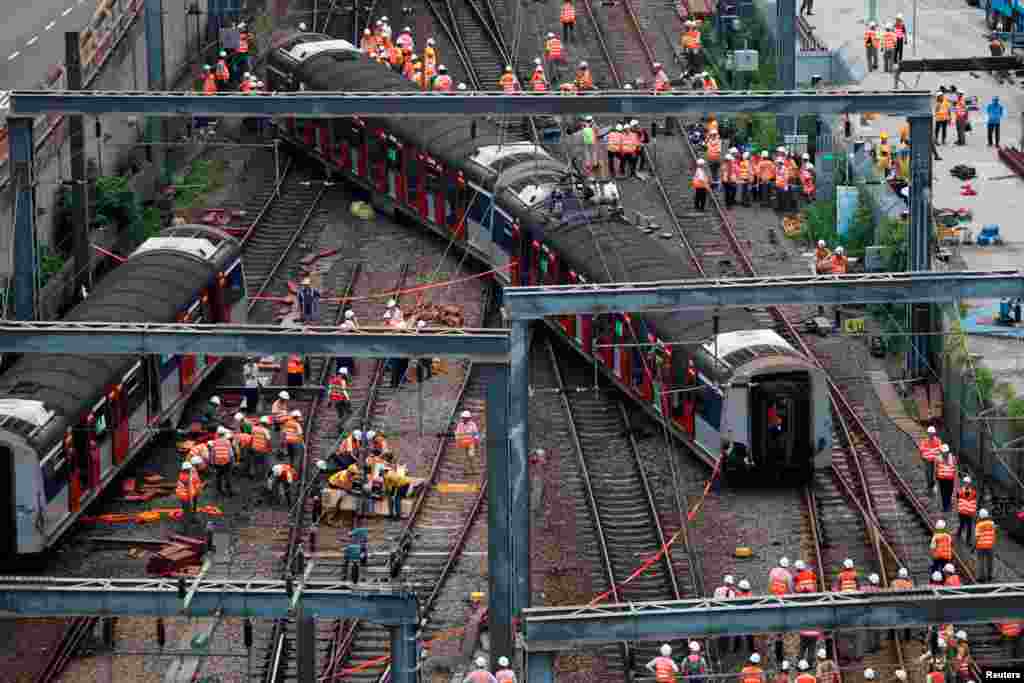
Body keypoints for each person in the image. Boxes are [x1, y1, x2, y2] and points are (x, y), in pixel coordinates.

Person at [210, 426, 236, 497]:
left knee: (218, 477)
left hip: (217, 462)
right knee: (227, 477)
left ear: (218, 434)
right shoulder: (227, 442)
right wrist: (233, 462)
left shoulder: (214, 443)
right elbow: (231, 453)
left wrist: (212, 463)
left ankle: (219, 490)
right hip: (226, 462)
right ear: (224, 434)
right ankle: (229, 491)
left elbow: (212, 454)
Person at [176, 461, 199, 530]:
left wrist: (197, 490)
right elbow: (188, 488)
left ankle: (192, 519)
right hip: (185, 497)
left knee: (192, 508)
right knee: (187, 511)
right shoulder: (183, 477)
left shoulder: (192, 472)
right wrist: (189, 497)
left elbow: (196, 481)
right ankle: (185, 526)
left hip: (191, 494)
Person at [975, 508, 996, 582]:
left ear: (980, 516)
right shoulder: (992, 523)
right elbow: (993, 532)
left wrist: (974, 546)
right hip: (990, 545)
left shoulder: (978, 525)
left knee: (980, 561)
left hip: (980, 546)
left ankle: (981, 577)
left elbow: (977, 537)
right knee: (990, 561)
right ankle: (990, 576)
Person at [935, 444, 957, 512]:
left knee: (949, 492)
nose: (945, 454)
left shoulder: (952, 458)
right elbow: (936, 468)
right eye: (944, 452)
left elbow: (955, 468)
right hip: (942, 479)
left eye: (946, 452)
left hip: (950, 478)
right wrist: (936, 478)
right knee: (944, 493)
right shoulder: (938, 458)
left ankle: (948, 504)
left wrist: (955, 477)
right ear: (941, 452)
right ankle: (945, 507)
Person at [919, 426, 941, 492]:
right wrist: (933, 451)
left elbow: (940, 449)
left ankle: (932, 486)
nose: (931, 435)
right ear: (928, 434)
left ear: (934, 433)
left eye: (932, 433)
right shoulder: (925, 441)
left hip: (935, 461)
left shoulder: (938, 441)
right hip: (928, 461)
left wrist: (929, 451)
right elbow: (922, 449)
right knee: (928, 474)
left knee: (935, 474)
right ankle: (930, 485)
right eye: (930, 433)